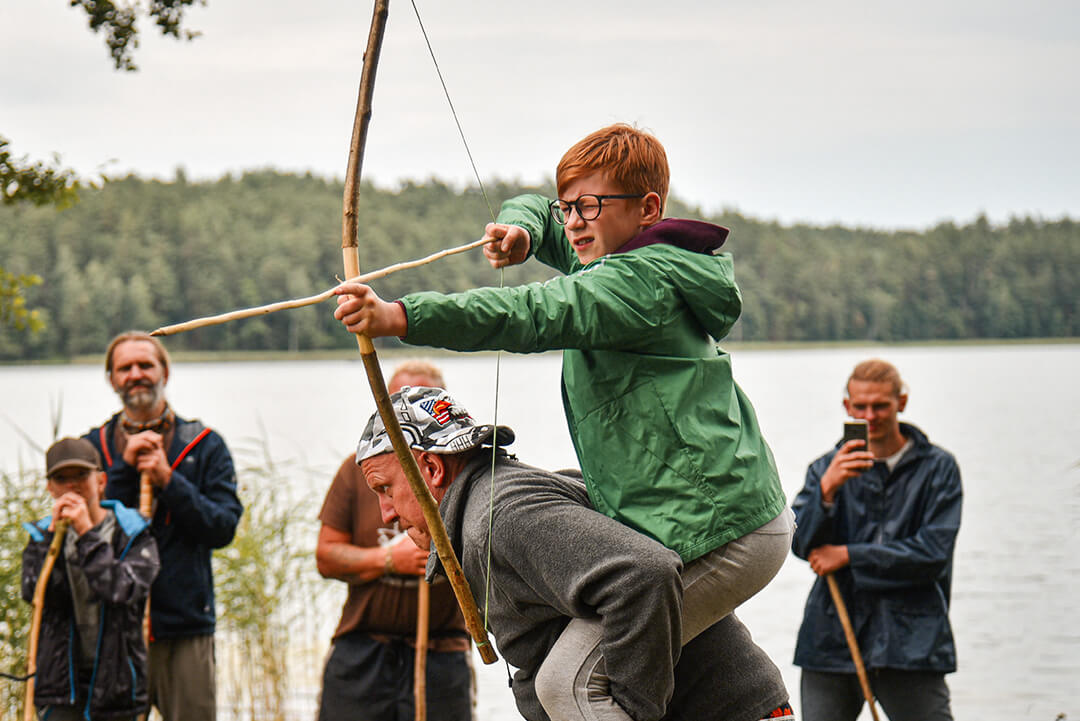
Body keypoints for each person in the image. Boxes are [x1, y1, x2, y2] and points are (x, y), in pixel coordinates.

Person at [332, 123, 792, 719]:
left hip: (728, 529)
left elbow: (531, 313)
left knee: (570, 684)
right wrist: (523, 230)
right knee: (566, 677)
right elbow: (539, 213)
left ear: (648, 209)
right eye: (567, 206)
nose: (573, 221)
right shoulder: (610, 259)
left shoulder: (637, 283)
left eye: (590, 207)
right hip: (712, 520)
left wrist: (400, 316)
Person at [355, 386, 794, 721]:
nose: (386, 513)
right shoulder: (495, 502)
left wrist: (633, 712)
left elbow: (644, 573)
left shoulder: (503, 515)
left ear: (430, 469)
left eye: (384, 489)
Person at [83, 331, 243, 721]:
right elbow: (87, 530)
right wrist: (121, 472)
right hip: (111, 629)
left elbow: (222, 528)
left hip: (185, 627)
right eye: (125, 368)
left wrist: (168, 480)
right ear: (112, 378)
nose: (136, 374)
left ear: (165, 372)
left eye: (145, 365)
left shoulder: (205, 445)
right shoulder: (93, 449)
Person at [791, 358, 963, 721]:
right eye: (861, 406)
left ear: (901, 403)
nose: (871, 415)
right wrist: (826, 492)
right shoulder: (824, 469)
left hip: (912, 643)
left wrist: (849, 556)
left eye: (881, 405)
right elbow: (800, 546)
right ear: (847, 407)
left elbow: (933, 554)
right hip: (831, 638)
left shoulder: (938, 469)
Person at [315, 360, 473, 721]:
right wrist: (388, 560)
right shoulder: (357, 472)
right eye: (396, 399)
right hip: (364, 652)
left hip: (440, 654)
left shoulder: (457, 474)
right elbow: (326, 556)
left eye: (420, 400)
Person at [22, 437, 160, 721]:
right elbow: (34, 594)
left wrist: (87, 534)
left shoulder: (133, 533)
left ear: (100, 481)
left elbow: (122, 589)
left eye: (81, 476)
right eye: (61, 479)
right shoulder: (41, 538)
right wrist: (51, 539)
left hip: (117, 687)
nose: (72, 486)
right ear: (50, 487)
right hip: (61, 687)